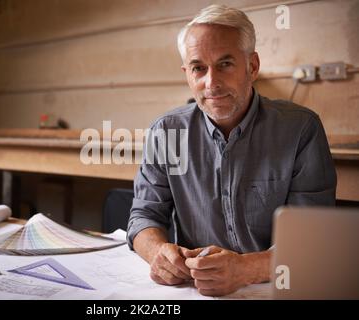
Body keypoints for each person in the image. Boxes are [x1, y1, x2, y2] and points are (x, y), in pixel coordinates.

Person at [127, 4, 336, 297]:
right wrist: (158, 253)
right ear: (187, 73)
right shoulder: (167, 132)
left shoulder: (301, 129)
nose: (211, 83)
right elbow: (144, 216)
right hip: (194, 291)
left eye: (225, 64)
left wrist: (245, 269)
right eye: (199, 68)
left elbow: (314, 237)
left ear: (252, 66)